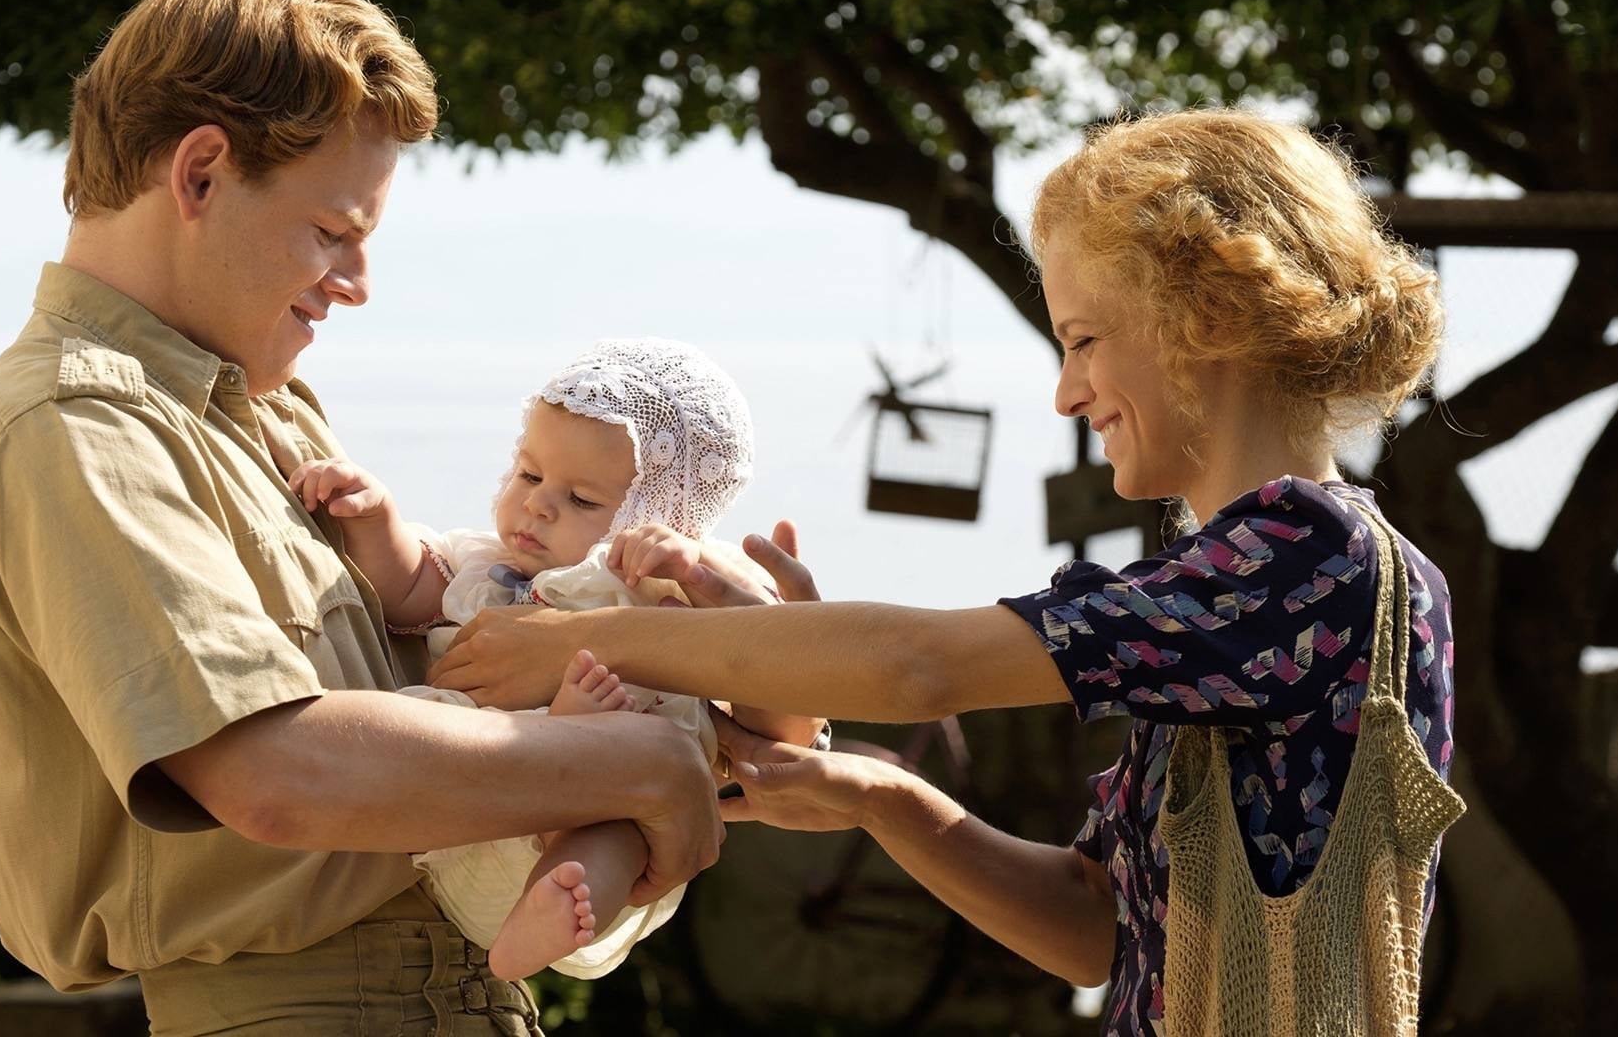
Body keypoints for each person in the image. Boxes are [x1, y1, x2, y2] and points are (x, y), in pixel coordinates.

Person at [426, 109, 1464, 1034]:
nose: (1066, 393)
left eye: (1083, 340)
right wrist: (879, 796)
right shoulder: (1240, 586)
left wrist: (579, 639)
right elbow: (1095, 932)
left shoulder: (1307, 559)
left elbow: (920, 666)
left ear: (1209, 318)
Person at [0, 0, 721, 1034]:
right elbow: (272, 774)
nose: (357, 283)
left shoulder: (265, 409)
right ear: (201, 174)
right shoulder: (71, 423)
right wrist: (631, 761)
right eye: (333, 231)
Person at [286, 337, 822, 982]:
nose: (538, 504)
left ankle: (555, 904)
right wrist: (376, 519)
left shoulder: (680, 578)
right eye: (530, 475)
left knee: (624, 827)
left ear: (664, 509)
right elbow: (407, 594)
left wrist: (688, 571)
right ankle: (558, 844)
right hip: (483, 783)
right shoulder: (490, 566)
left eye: (583, 500)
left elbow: (766, 685)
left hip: (615, 794)